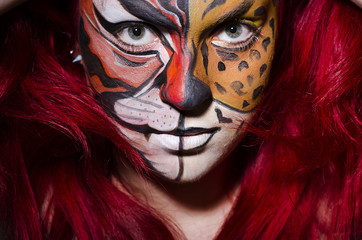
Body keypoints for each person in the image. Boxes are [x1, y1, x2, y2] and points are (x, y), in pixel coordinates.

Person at [0, 0, 360, 239]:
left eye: (232, 30)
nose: (185, 93)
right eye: (135, 32)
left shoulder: (340, 218)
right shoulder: (24, 211)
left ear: (283, 34)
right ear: (74, 39)